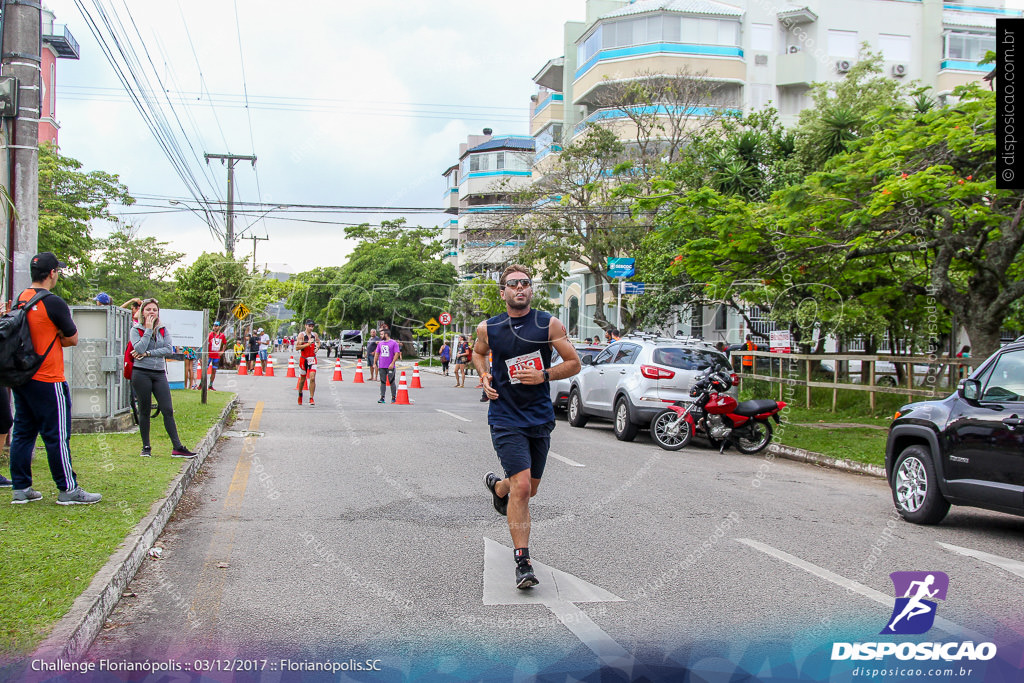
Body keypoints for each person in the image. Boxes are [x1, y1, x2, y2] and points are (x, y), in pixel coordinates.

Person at [477, 265, 580, 589]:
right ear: (502, 292)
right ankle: (523, 561)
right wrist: (483, 375)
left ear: (531, 290)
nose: (519, 288)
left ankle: (499, 488)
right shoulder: (488, 328)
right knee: (523, 488)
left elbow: (574, 362)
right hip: (505, 416)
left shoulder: (548, 324)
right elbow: (479, 355)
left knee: (528, 489)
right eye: (513, 284)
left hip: (538, 416)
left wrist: (545, 375)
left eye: (525, 283)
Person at [8, 252, 102, 505]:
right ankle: (68, 488)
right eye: (57, 271)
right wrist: (56, 334)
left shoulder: (21, 299)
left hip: (23, 376)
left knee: (23, 432)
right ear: (51, 273)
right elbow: (72, 338)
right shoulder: (54, 303)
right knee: (57, 435)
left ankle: (21, 487)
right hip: (49, 378)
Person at [130, 299, 196, 458]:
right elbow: (138, 347)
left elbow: (167, 349)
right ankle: (146, 447)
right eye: (148, 310)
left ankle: (177, 447)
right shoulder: (136, 329)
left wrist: (147, 354)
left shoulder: (163, 330)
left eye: (154, 309)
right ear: (142, 313)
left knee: (167, 409)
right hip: (141, 372)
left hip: (159, 373)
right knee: (144, 410)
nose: (151, 312)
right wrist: (147, 330)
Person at [296, 319, 320, 405]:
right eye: (309, 326)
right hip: (303, 359)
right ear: (305, 326)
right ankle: (300, 394)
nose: (311, 328)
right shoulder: (301, 335)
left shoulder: (315, 335)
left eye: (312, 326)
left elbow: (318, 342)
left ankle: (311, 398)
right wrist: (307, 344)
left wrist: (317, 348)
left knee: (312, 378)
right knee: (302, 379)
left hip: (312, 358)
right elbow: (297, 347)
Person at [374, 328, 402, 403]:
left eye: (382, 334)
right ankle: (382, 397)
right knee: (382, 382)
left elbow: (397, 353)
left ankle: (393, 397)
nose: (380, 336)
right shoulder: (380, 343)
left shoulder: (394, 343)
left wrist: (392, 363)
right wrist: (375, 363)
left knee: (391, 381)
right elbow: (377, 353)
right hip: (382, 366)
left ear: (386, 334)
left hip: (390, 366)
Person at [206, 321, 227, 390]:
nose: (215, 327)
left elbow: (225, 343)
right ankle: (202, 384)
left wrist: (222, 351)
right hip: (209, 355)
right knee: (205, 370)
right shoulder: (210, 334)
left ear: (219, 327)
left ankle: (211, 385)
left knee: (214, 371)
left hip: (216, 356)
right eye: (214, 326)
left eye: (216, 326)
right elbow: (206, 343)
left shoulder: (222, 335)